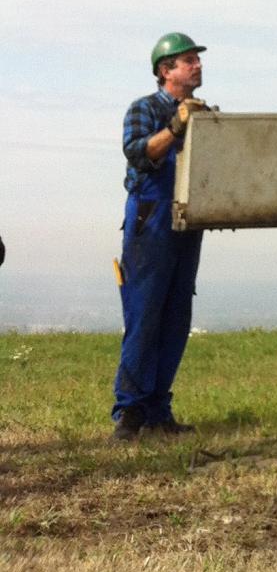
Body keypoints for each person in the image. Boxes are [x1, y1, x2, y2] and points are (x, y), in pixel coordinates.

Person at [111, 32, 209, 441]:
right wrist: (175, 125)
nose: (198, 65)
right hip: (150, 220)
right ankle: (129, 414)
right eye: (189, 60)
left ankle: (157, 411)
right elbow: (137, 152)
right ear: (166, 70)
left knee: (175, 320)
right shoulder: (144, 108)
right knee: (144, 315)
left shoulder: (204, 114)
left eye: (197, 60)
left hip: (188, 221)